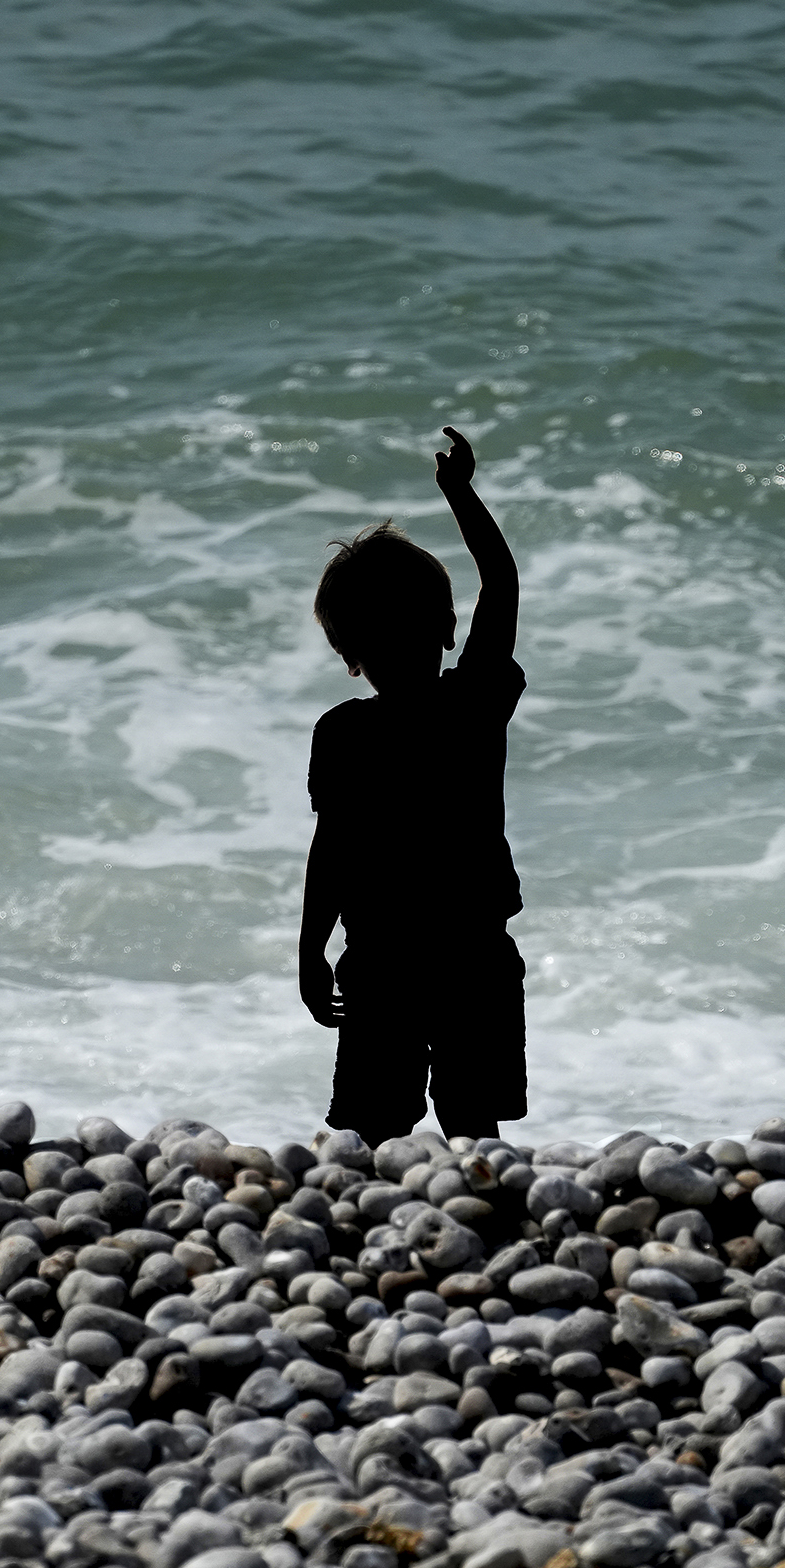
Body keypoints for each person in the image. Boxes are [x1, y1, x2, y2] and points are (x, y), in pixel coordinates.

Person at [298, 427, 527, 1146]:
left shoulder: (342, 732)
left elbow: (329, 849)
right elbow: (501, 581)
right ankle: (483, 1213)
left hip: (381, 956)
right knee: (473, 1119)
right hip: (472, 951)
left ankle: (363, 1225)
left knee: (371, 1123)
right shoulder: (473, 702)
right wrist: (458, 493)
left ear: (348, 655)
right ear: (449, 628)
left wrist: (309, 948)